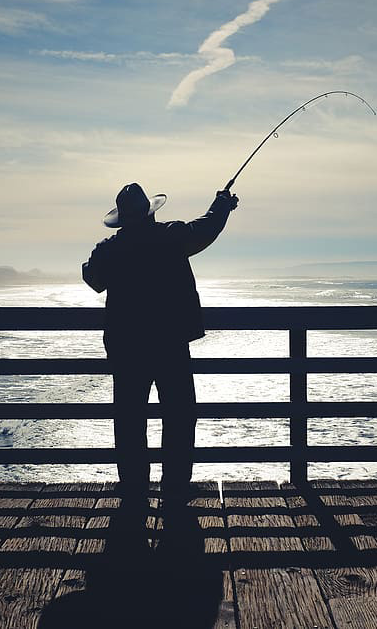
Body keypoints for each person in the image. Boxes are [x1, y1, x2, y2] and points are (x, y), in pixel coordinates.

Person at [82, 182, 238, 518]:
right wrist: (222, 203)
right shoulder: (172, 237)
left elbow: (92, 277)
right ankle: (176, 487)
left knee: (129, 420)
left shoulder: (111, 248)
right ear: (150, 213)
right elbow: (207, 227)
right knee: (180, 417)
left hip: (127, 347)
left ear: (122, 220)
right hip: (170, 342)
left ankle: (135, 489)